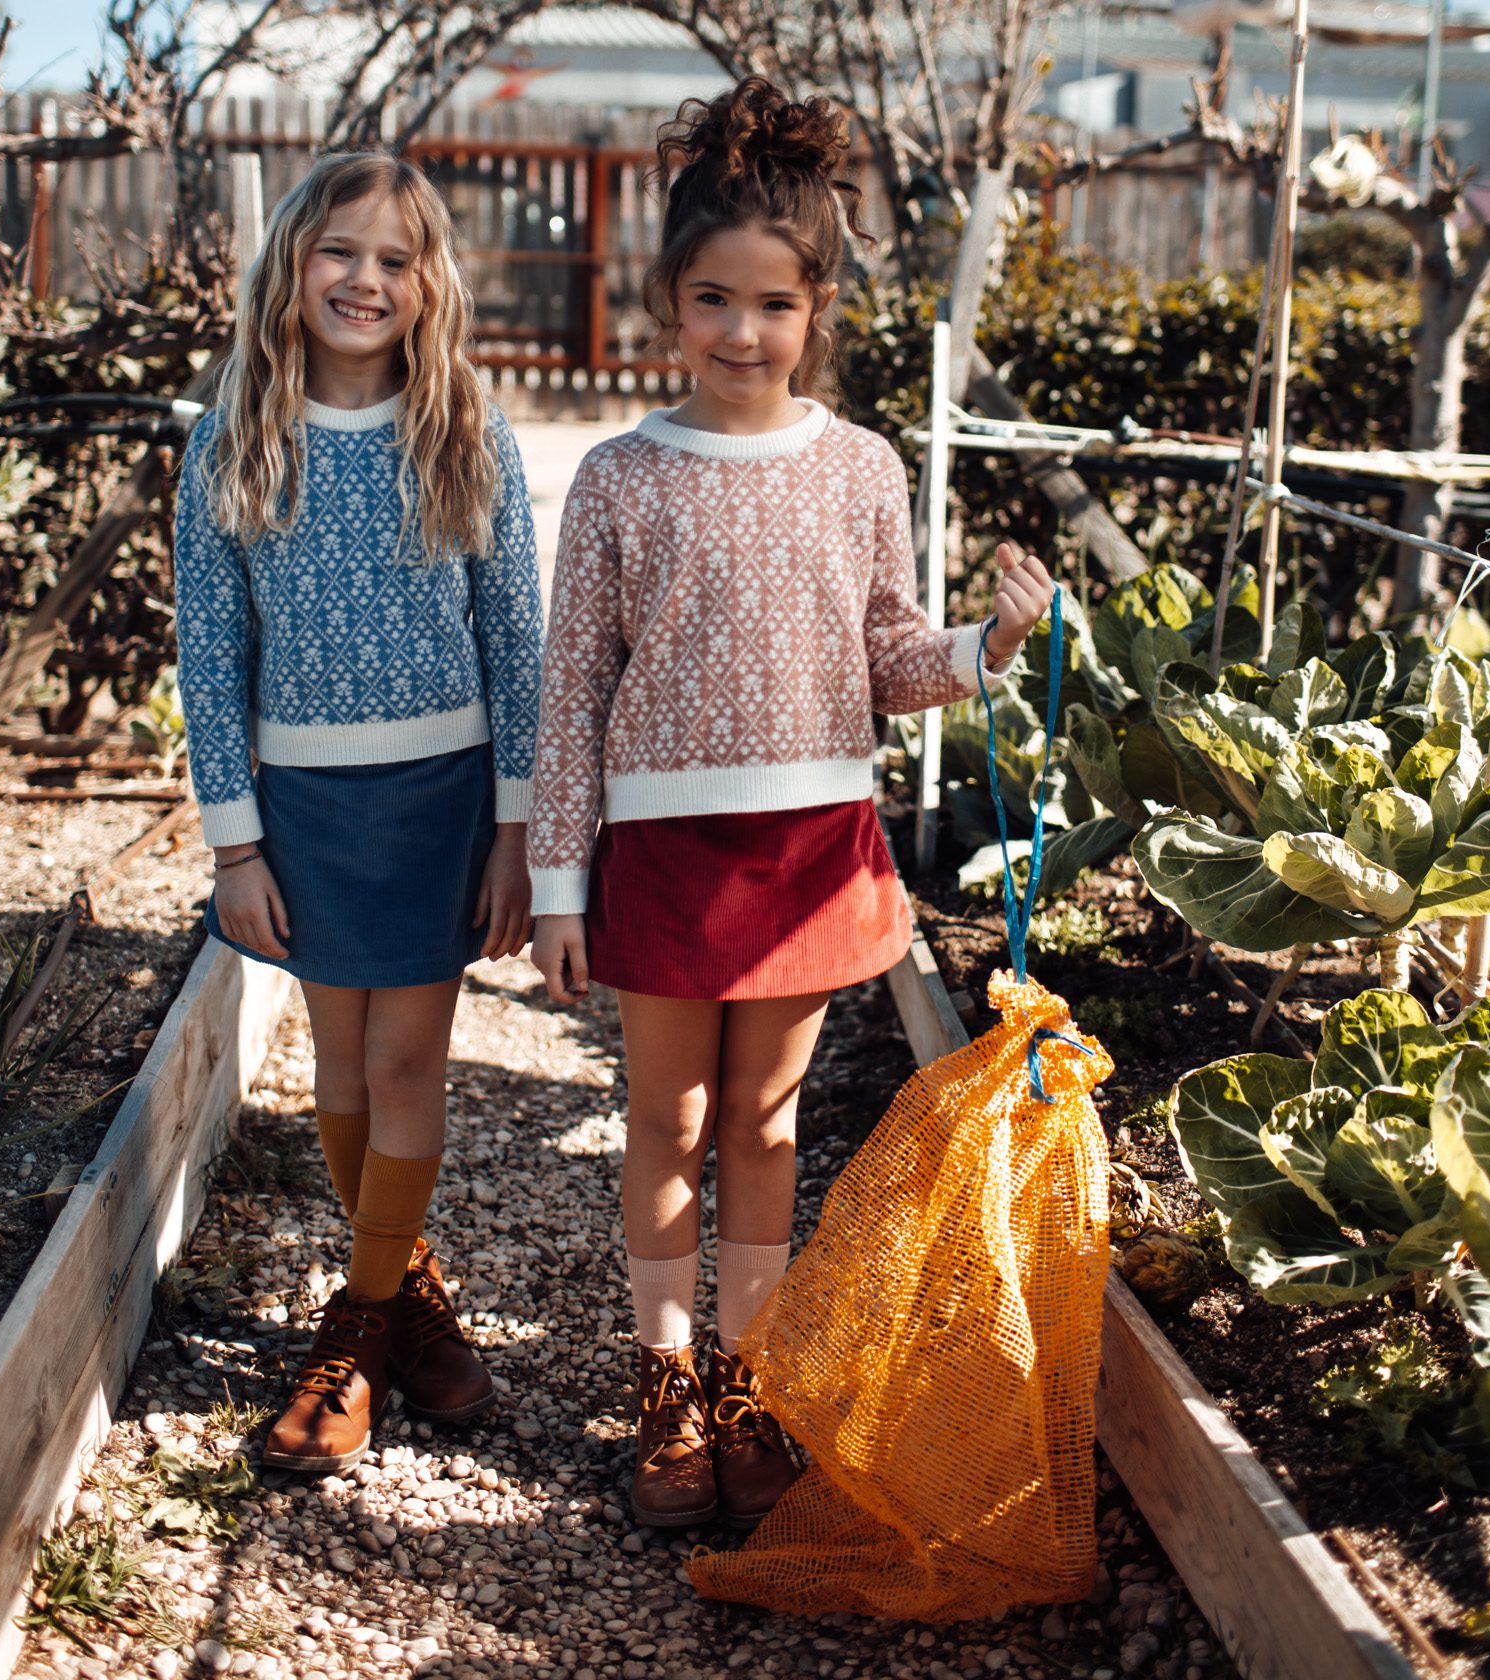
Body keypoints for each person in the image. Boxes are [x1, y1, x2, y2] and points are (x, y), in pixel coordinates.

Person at [527, 79, 1055, 1530]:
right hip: (663, 854)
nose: (742, 332)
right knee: (666, 1120)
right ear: (669, 302)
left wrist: (988, 644)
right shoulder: (620, 479)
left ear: (817, 307)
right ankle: (665, 1380)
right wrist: (561, 887)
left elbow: (888, 655)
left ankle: (749, 1381)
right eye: (713, 299)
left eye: (774, 303)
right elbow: (571, 693)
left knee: (765, 1127)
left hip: (812, 847)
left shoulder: (861, 467)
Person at [174, 151, 543, 1474]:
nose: (365, 279)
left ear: (428, 285)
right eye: (340, 251)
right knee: (338, 1071)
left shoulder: (463, 429)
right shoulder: (233, 436)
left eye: (395, 259)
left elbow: (517, 640)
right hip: (306, 809)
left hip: (443, 801)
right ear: (291, 264)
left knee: (401, 1068)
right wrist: (234, 843)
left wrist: (518, 833)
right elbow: (209, 651)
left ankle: (357, 1327)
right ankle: (405, 1292)